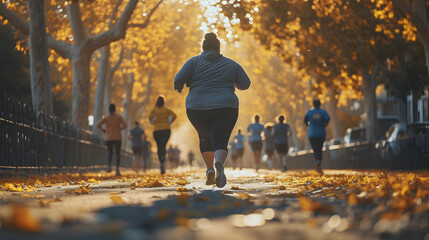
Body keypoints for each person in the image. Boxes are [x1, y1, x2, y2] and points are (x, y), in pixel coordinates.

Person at [174, 32, 251, 188]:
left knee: (204, 137)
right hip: (226, 107)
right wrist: (231, 82)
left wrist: (180, 86)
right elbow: (245, 84)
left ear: (203, 47)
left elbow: (178, 79)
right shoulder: (232, 64)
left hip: (197, 108)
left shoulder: (193, 62)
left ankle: (210, 171)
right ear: (219, 49)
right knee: (220, 139)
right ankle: (218, 164)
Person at [97, 103, 127, 176]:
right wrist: (120, 128)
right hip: (117, 138)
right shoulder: (119, 117)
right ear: (115, 109)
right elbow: (125, 125)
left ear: (109, 110)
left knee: (110, 153)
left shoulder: (106, 118)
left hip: (109, 137)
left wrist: (104, 130)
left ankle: (109, 167)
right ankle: (117, 169)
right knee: (117, 153)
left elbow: (98, 125)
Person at [148, 95, 176, 174]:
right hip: (166, 129)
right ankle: (163, 161)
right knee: (163, 145)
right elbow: (174, 116)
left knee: (159, 146)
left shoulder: (154, 110)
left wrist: (154, 121)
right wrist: (170, 122)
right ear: (164, 102)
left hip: (156, 130)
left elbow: (149, 117)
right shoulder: (167, 110)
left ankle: (161, 162)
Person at [304, 100, 330, 174]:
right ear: (320, 104)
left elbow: (305, 120)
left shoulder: (309, 112)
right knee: (320, 148)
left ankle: (317, 160)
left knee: (315, 149)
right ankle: (319, 162)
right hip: (321, 133)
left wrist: (309, 125)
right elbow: (328, 119)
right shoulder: (323, 112)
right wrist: (324, 125)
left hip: (312, 133)